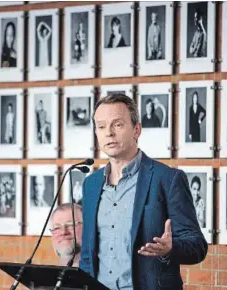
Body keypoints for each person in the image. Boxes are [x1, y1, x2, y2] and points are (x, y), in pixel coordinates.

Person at [79, 94, 207, 290]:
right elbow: (88, 256)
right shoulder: (91, 184)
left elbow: (197, 246)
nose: (109, 133)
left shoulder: (168, 179)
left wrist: (170, 249)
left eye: (118, 124)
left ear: (136, 130)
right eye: (102, 126)